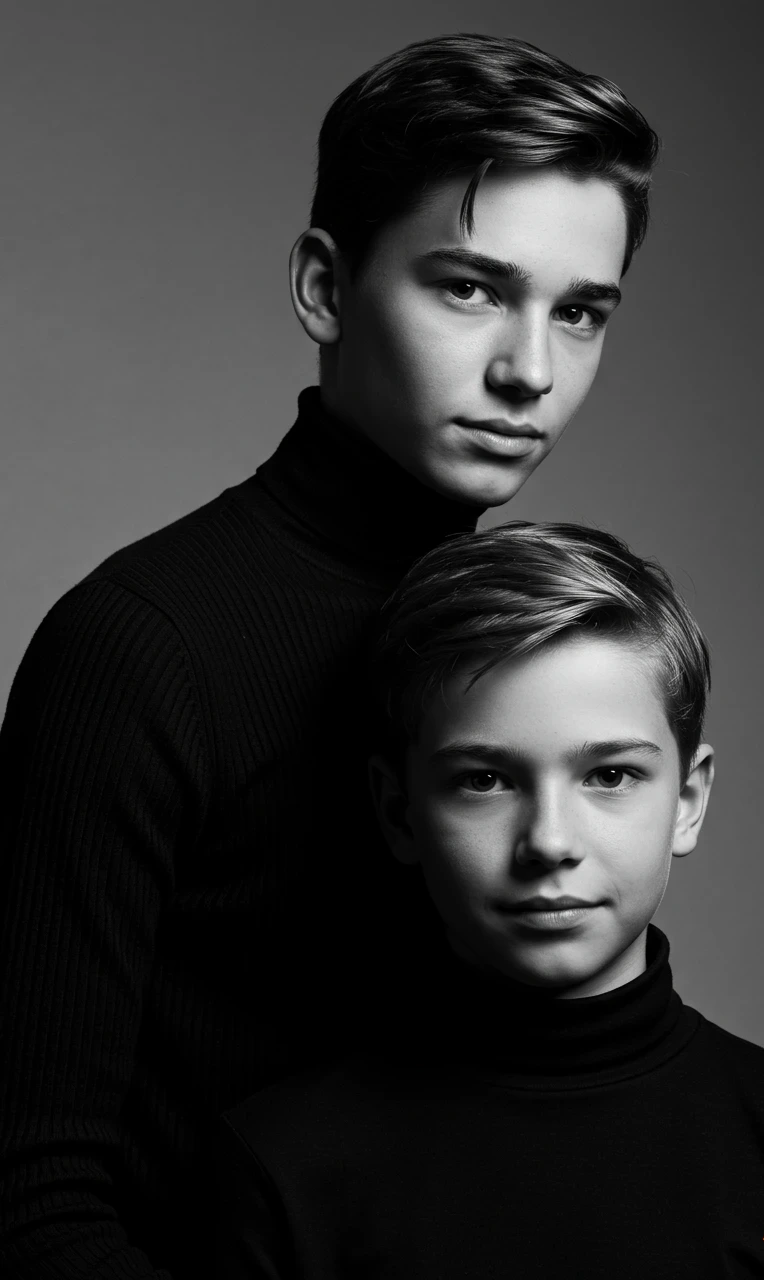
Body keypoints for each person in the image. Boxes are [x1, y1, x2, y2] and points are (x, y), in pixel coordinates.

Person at [0, 33, 659, 1280]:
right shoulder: (140, 648)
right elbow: (29, 1199)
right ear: (322, 286)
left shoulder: (525, 648)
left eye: (577, 312)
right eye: (468, 287)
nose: (529, 371)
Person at [216, 522, 764, 1278]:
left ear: (689, 801)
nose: (548, 842)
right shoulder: (287, 1165)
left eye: (609, 776)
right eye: (484, 780)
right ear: (398, 812)